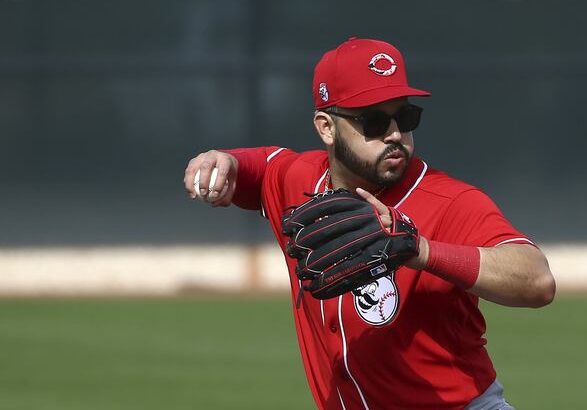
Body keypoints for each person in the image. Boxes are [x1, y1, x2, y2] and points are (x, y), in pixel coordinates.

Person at [183, 37, 555, 410]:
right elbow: (261, 167)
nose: (394, 133)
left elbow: (537, 281)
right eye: (374, 120)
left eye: (405, 117)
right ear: (326, 127)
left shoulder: (449, 201)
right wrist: (221, 159)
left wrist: (421, 250)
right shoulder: (298, 181)